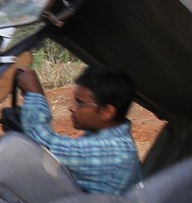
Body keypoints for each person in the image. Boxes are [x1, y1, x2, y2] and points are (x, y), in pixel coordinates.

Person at [14, 64, 141, 195]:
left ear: (106, 112)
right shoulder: (109, 140)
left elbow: (42, 147)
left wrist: (35, 94)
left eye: (80, 103)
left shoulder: (115, 151)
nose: (72, 108)